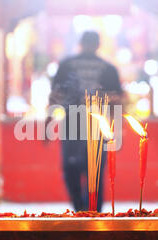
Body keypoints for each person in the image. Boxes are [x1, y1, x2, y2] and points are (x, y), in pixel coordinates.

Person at [48, 31, 123, 212]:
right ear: (98, 45)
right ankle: (92, 213)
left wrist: (48, 120)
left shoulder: (66, 65)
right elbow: (118, 100)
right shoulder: (108, 68)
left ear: (80, 43)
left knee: (70, 169)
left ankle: (79, 210)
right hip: (97, 126)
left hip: (72, 124)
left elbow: (54, 97)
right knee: (94, 171)